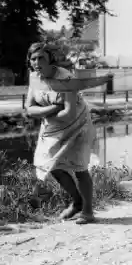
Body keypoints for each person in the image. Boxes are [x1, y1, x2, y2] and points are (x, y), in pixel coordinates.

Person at [25, 42, 96, 224]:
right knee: (50, 163)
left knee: (79, 167)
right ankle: (77, 201)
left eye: (41, 57)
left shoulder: (65, 78)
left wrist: (47, 112)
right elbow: (29, 108)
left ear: (50, 59)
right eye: (33, 58)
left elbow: (69, 112)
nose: (37, 62)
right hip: (52, 125)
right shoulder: (34, 77)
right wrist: (52, 108)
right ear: (30, 61)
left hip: (78, 125)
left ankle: (87, 211)